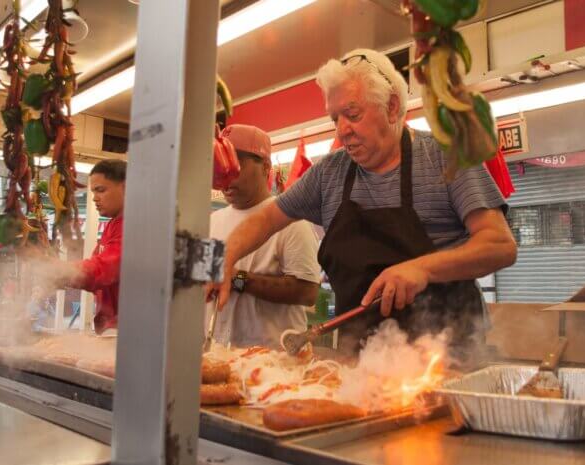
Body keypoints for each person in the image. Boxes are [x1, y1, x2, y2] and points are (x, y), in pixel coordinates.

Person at [211, 49, 517, 358]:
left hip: (445, 358)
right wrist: (225, 260)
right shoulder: (328, 174)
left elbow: (499, 246)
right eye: (335, 119)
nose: (342, 130)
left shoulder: (446, 157)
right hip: (362, 363)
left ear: (392, 107)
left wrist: (423, 268)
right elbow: (264, 219)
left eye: (353, 114)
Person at [207, 124, 321, 348]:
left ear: (265, 166)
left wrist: (238, 279)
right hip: (218, 351)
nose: (226, 175)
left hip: (272, 360)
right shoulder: (212, 220)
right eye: (221, 164)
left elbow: (308, 292)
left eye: (236, 164)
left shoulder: (292, 221)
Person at [37, 159, 126, 334]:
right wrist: (62, 276)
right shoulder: (112, 226)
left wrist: (61, 271)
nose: (94, 198)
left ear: (126, 188)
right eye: (93, 192)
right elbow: (96, 273)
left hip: (129, 332)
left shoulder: (135, 225)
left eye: (101, 190)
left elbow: (106, 269)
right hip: (110, 328)